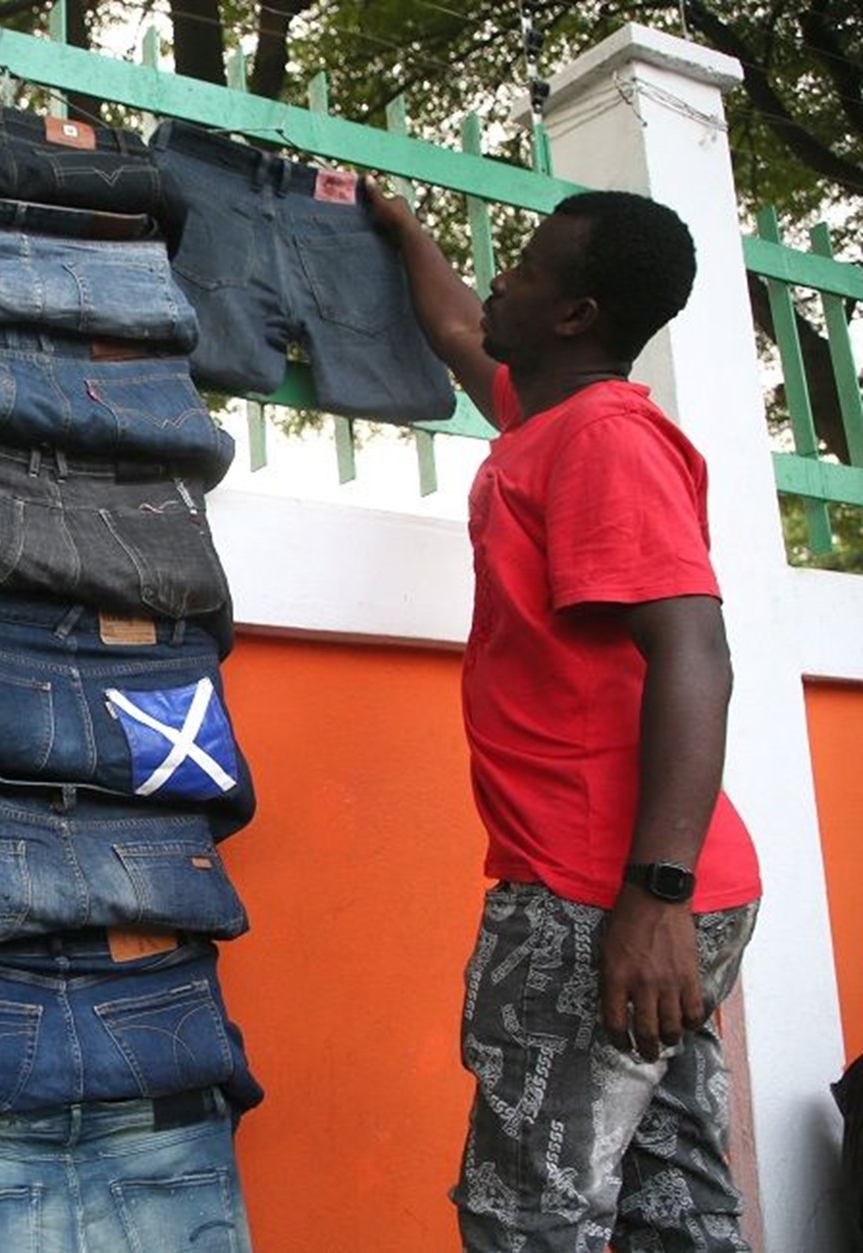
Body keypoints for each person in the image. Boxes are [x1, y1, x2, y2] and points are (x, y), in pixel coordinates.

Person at [368, 185, 763, 1251]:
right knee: (668, 1200)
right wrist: (400, 229)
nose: (500, 276)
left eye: (527, 268)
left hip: (602, 895)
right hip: (637, 887)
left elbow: (696, 652)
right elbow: (461, 331)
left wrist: (654, 899)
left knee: (528, 1217)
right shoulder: (542, 415)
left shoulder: (601, 441)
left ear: (576, 315)